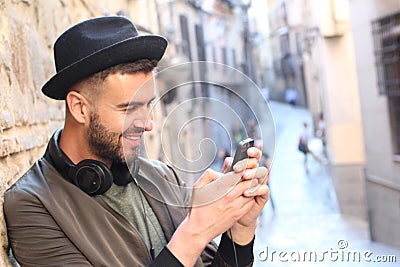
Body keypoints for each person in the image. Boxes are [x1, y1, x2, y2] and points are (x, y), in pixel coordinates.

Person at [3, 16, 269, 266]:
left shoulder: (161, 177)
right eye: (129, 108)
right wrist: (194, 233)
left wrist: (240, 229)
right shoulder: (32, 206)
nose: (148, 124)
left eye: (148, 106)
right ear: (79, 108)